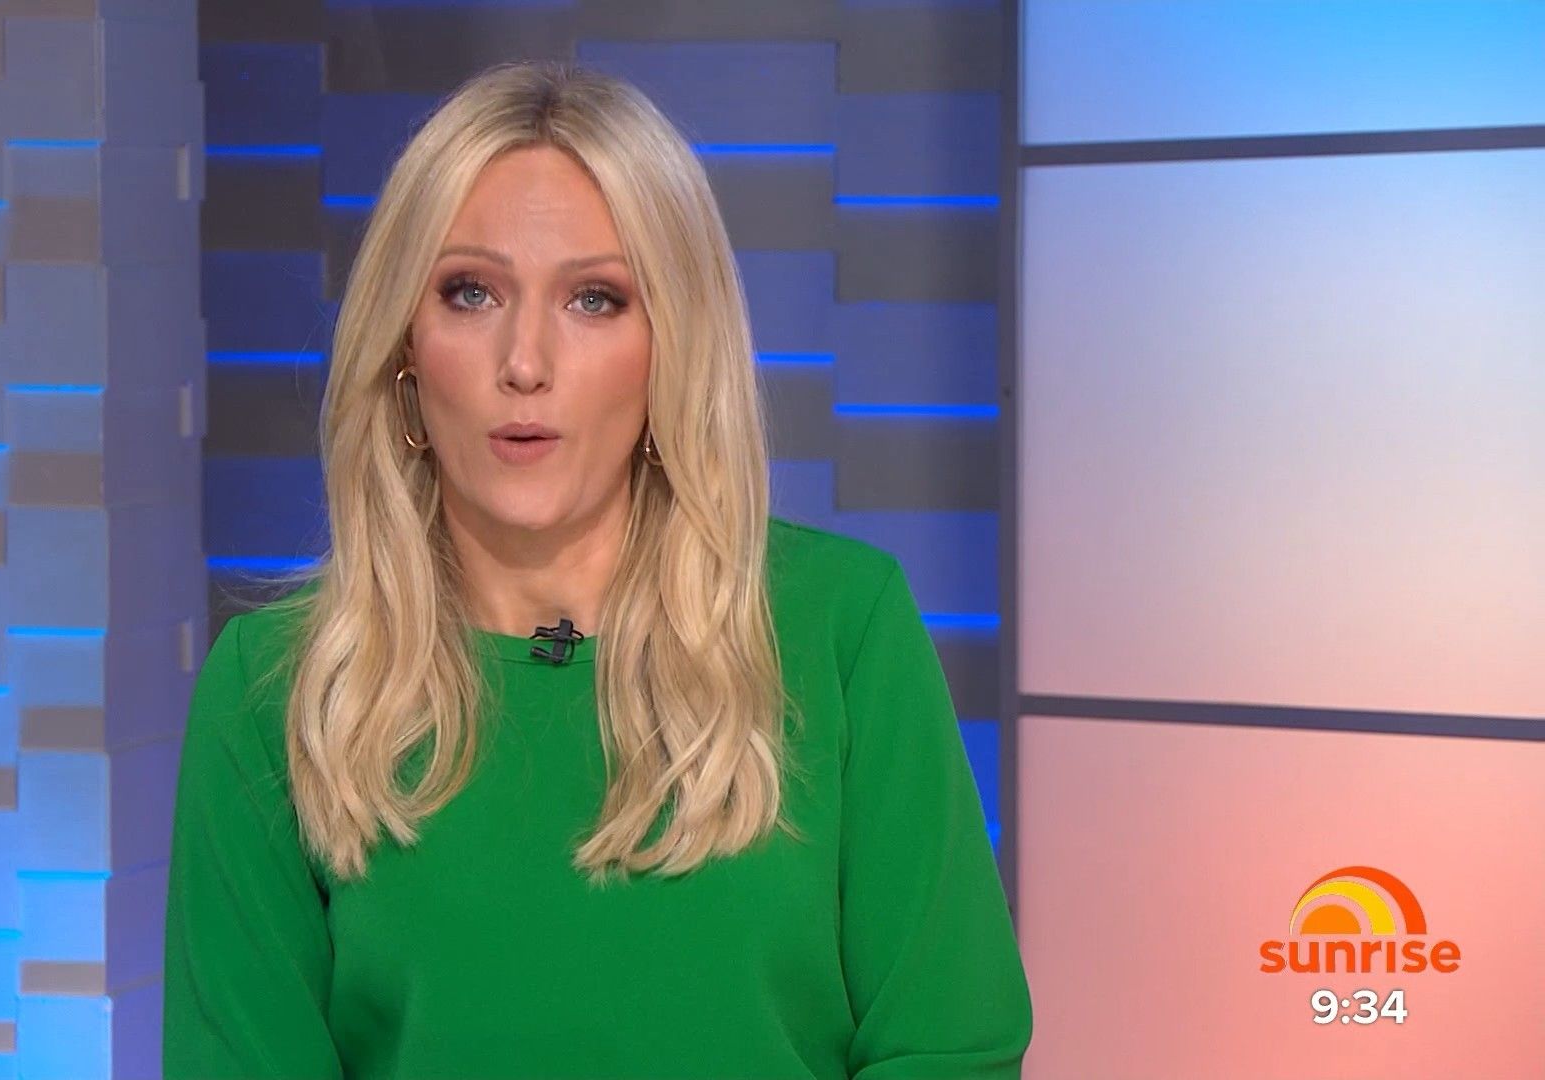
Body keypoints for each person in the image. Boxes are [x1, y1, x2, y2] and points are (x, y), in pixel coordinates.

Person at [162, 59, 1032, 1079]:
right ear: (405, 344)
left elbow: (948, 1049)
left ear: (673, 346)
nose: (525, 362)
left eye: (594, 299)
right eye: (471, 292)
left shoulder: (844, 628)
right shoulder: (273, 691)